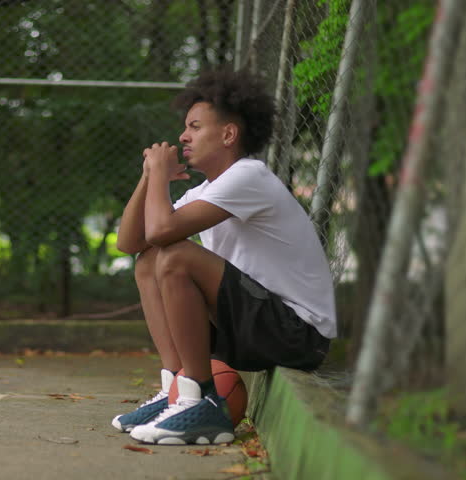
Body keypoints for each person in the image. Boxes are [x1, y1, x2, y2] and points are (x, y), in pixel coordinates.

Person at [111, 69, 336, 445]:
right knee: (150, 261)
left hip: (297, 335)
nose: (183, 136)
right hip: (253, 325)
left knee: (175, 256)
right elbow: (132, 243)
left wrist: (162, 181)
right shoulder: (209, 189)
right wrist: (149, 176)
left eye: (195, 127)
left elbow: (162, 231)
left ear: (229, 134)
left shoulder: (249, 176)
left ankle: (200, 400)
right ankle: (176, 392)